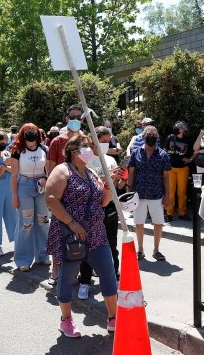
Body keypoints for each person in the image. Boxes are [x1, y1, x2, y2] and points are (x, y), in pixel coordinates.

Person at [45, 134, 117, 337]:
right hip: (71, 235)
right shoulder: (62, 170)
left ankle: (113, 318)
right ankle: (65, 320)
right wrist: (72, 223)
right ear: (74, 151)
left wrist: (110, 186)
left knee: (108, 274)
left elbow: (102, 202)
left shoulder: (91, 172)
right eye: (86, 146)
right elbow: (51, 199)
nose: (91, 149)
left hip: (96, 233)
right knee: (67, 278)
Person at [78, 126, 125, 299]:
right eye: (103, 141)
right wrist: (104, 181)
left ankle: (115, 277)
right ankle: (85, 281)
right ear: (93, 139)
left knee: (111, 244)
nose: (106, 144)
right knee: (87, 246)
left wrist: (121, 177)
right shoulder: (85, 158)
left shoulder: (111, 160)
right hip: (90, 207)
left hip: (110, 207)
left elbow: (118, 187)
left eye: (108, 141)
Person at [46, 105, 84, 283]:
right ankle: (55, 270)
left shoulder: (86, 141)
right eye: (73, 116)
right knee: (58, 234)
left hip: (81, 195)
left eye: (79, 116)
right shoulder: (57, 141)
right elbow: (50, 167)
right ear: (67, 118)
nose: (76, 119)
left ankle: (75, 272)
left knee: (79, 235)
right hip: (61, 197)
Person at [8, 123, 50, 271]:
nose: (31, 142)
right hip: (24, 186)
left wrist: (45, 178)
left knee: (43, 220)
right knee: (26, 223)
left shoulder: (44, 148)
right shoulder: (17, 150)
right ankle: (23, 259)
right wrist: (14, 195)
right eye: (27, 137)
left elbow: (48, 170)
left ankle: (43, 255)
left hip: (41, 186)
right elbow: (13, 175)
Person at [128, 126, 171, 261]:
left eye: (154, 134)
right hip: (138, 193)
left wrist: (168, 195)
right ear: (143, 137)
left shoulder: (163, 154)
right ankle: (140, 250)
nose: (151, 136)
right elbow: (131, 173)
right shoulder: (135, 153)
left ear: (157, 137)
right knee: (139, 223)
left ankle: (156, 250)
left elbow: (165, 176)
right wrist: (129, 192)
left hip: (156, 193)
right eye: (149, 134)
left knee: (158, 223)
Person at [164, 121, 194, 222]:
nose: (176, 128)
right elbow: (164, 149)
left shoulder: (188, 140)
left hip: (183, 168)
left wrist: (190, 159)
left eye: (179, 127)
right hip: (170, 168)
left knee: (182, 192)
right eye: (176, 126)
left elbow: (195, 151)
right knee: (170, 191)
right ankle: (169, 213)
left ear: (183, 129)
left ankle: (182, 213)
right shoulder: (170, 137)